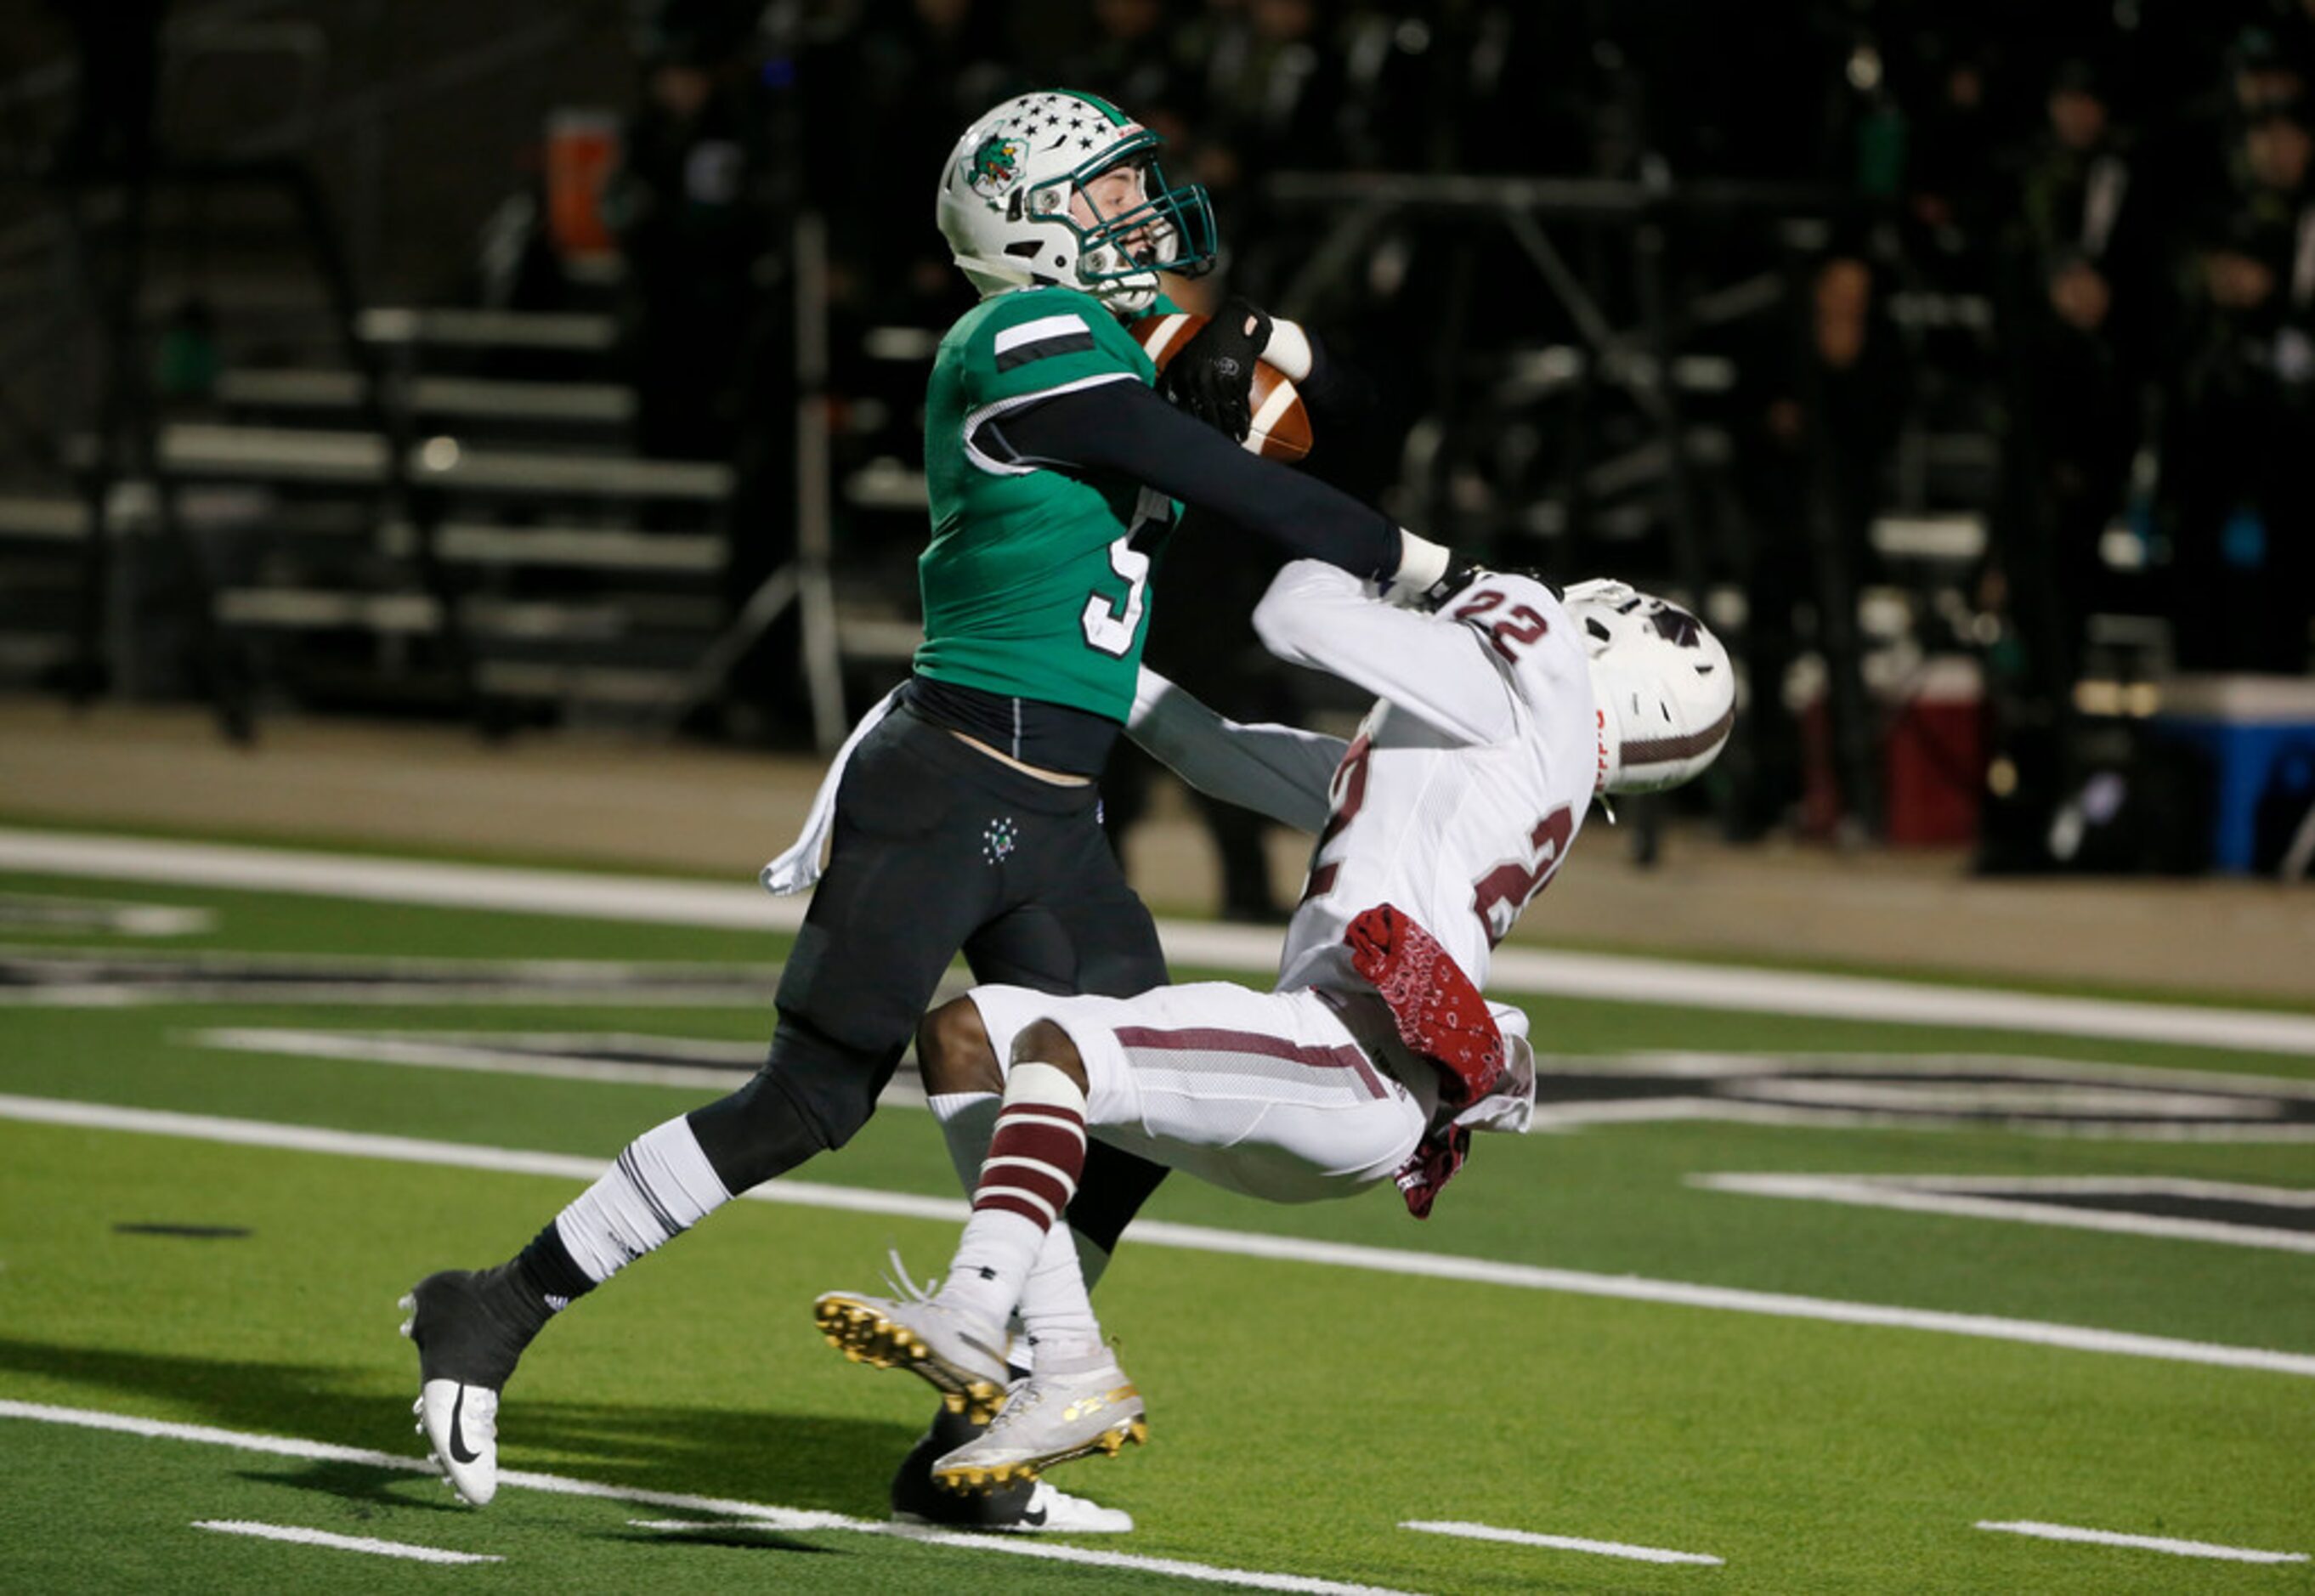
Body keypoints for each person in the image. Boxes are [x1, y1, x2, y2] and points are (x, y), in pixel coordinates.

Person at [399, 88, 1470, 1531]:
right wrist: (1429, 573)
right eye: (1101, 195)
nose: (1135, 214)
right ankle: (492, 1306)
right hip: (950, 775)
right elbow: (1216, 477)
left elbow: (1346, 415)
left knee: (1128, 1098)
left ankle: (977, 1441)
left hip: (1058, 811)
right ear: (1030, 222)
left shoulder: (1114, 348)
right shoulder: (1012, 340)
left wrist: (1281, 356)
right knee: (808, 1098)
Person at [812, 557, 1735, 1493]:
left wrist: (1373, 546)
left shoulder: (1502, 717)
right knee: (967, 1038)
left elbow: (1295, 612)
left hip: (1349, 1065)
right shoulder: (1476, 765)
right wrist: (1049, 659)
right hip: (1320, 1066)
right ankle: (1060, 1358)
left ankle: (979, 1314)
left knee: (1062, 1053)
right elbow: (1214, 747)